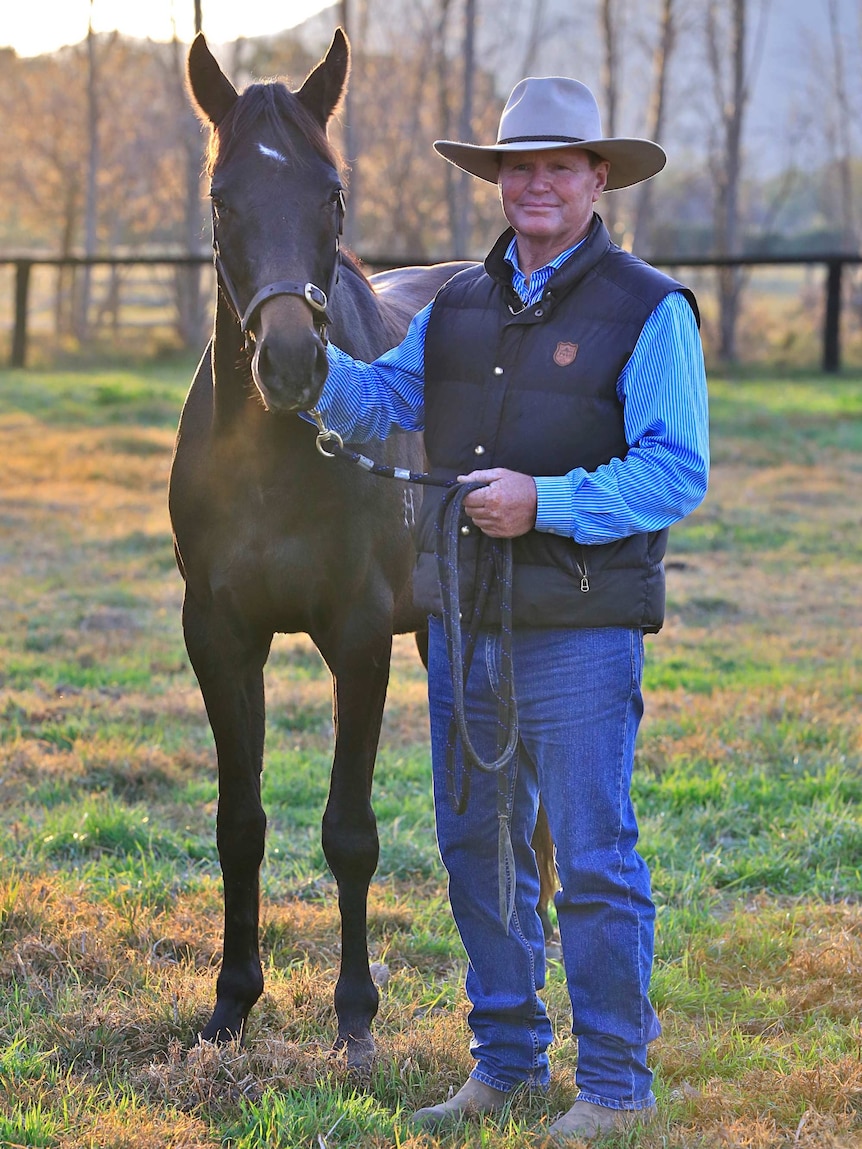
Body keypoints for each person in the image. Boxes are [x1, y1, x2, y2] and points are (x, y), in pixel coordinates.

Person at [310, 74, 709, 1142]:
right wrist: (304, 368)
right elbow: (385, 399)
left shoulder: (647, 309)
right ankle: (508, 1064)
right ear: (497, 182)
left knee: (588, 853)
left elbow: (676, 471)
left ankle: (618, 1087)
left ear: (597, 179)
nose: (536, 184)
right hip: (463, 618)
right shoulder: (458, 308)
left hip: (579, 624)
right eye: (517, 167)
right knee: (475, 845)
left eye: (559, 166)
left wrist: (550, 502)